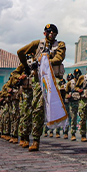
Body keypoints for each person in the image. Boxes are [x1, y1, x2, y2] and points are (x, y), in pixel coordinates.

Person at [16, 23, 66, 151]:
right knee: (36, 108)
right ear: (44, 33)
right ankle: (33, 139)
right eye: (49, 32)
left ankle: (59, 130)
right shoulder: (37, 44)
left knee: (56, 105)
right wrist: (27, 67)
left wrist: (44, 61)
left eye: (53, 33)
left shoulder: (60, 45)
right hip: (38, 80)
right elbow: (20, 52)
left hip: (52, 80)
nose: (51, 34)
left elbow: (59, 58)